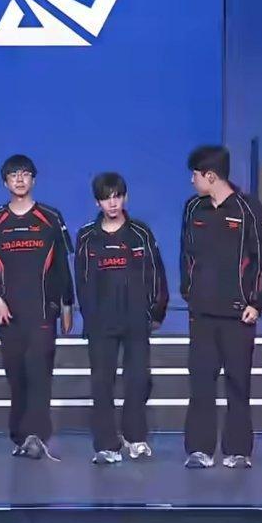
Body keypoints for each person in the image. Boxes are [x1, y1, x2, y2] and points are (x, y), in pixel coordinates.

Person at [179, 145, 262, 469]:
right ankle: (199, 449)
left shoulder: (249, 209)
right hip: (202, 313)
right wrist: (189, 292)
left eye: (195, 174)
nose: (191, 180)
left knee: (238, 382)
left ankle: (238, 450)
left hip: (238, 314)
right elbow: (186, 255)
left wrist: (256, 302)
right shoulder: (193, 208)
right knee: (201, 382)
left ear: (211, 176)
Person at [0, 155, 74, 460]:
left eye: (25, 174)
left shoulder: (51, 217)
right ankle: (20, 436)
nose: (19, 180)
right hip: (7, 312)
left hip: (43, 310)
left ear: (33, 179)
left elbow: (62, 265)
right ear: (5, 182)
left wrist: (68, 304)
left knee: (39, 372)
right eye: (13, 175)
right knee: (17, 375)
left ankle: (37, 435)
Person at [75, 172, 168, 465]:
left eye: (117, 197)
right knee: (102, 384)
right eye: (106, 198)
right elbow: (81, 279)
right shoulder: (86, 236)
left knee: (138, 380)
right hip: (101, 323)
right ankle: (106, 445)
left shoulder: (141, 233)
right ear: (97, 202)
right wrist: (89, 316)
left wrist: (156, 311)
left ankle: (135, 437)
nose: (112, 203)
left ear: (125, 198)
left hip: (136, 320)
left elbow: (157, 273)